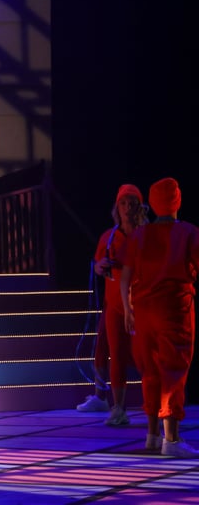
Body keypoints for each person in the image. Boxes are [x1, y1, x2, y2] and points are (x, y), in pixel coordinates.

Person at [120, 177, 199, 458]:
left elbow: (125, 276)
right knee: (173, 371)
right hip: (174, 311)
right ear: (177, 201)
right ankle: (172, 439)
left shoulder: (140, 235)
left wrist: (127, 309)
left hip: (143, 312)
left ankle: (152, 436)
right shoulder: (188, 232)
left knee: (150, 372)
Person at [78, 184, 147, 425]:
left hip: (142, 305)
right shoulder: (109, 237)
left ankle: (158, 406)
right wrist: (101, 266)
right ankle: (117, 407)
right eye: (123, 203)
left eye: (132, 204)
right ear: (117, 207)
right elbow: (98, 264)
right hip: (115, 304)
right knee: (112, 352)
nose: (127, 208)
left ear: (140, 207)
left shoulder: (147, 235)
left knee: (146, 355)